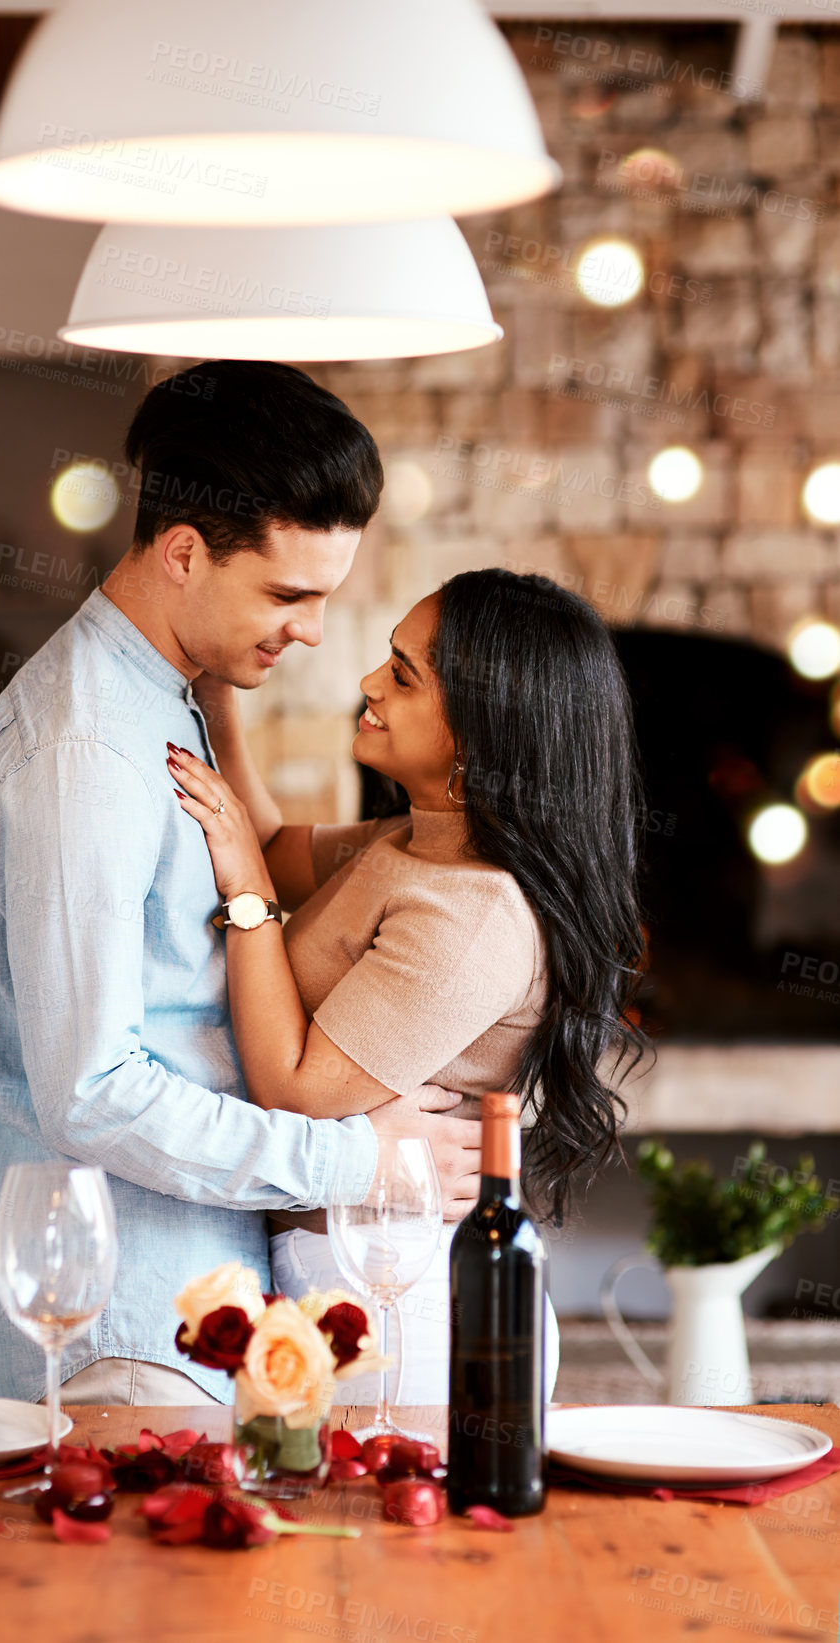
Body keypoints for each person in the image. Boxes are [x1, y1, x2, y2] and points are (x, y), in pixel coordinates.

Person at [0, 360, 484, 1409]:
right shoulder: (83, 752)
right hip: (114, 1348)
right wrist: (352, 1161)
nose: (315, 630)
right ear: (184, 553)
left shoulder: (169, 698)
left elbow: (265, 874)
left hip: (180, 1327)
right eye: (289, 594)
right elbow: (89, 1093)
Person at [169, 568, 649, 1403]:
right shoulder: (413, 841)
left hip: (397, 1304)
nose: (366, 684)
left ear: (478, 732)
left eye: (401, 674)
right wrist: (213, 694)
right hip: (344, 1273)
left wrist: (245, 894)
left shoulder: (473, 912)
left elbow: (294, 1087)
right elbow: (275, 842)